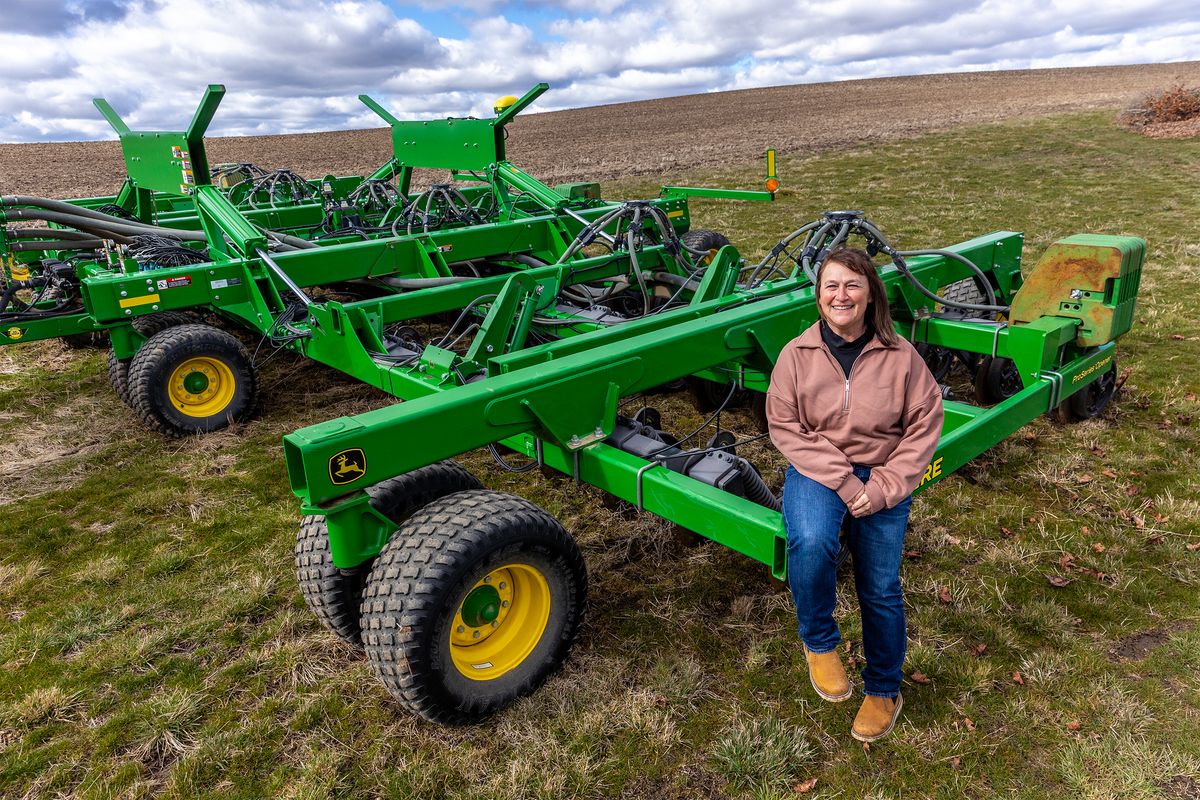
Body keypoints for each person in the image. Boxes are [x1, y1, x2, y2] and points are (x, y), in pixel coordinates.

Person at [765, 246, 943, 742]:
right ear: (819, 296)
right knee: (812, 543)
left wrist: (884, 487)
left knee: (881, 587)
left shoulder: (901, 356)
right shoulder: (796, 355)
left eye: (852, 286)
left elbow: (924, 426)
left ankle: (884, 687)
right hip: (818, 470)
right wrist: (845, 482)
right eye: (831, 286)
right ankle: (819, 643)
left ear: (869, 295)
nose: (840, 295)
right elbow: (785, 426)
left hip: (884, 474)